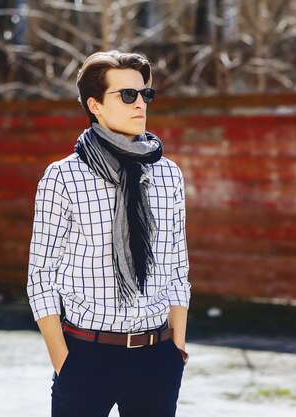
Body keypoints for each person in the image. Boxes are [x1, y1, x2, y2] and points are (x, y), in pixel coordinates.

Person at [26, 50, 191, 417]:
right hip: (87, 357)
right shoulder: (63, 177)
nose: (140, 104)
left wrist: (176, 349)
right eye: (127, 95)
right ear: (95, 105)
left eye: (145, 94)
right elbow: (40, 276)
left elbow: (179, 267)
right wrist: (63, 360)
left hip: (157, 357)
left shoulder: (169, 175)